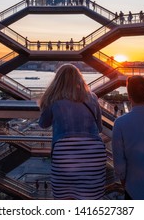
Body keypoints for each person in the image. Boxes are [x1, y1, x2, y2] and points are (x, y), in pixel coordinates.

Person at [38, 64, 107, 200]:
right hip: (94, 155)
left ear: (58, 81)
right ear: (79, 79)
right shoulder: (92, 97)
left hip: (65, 155)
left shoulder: (54, 100)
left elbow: (43, 124)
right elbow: (99, 128)